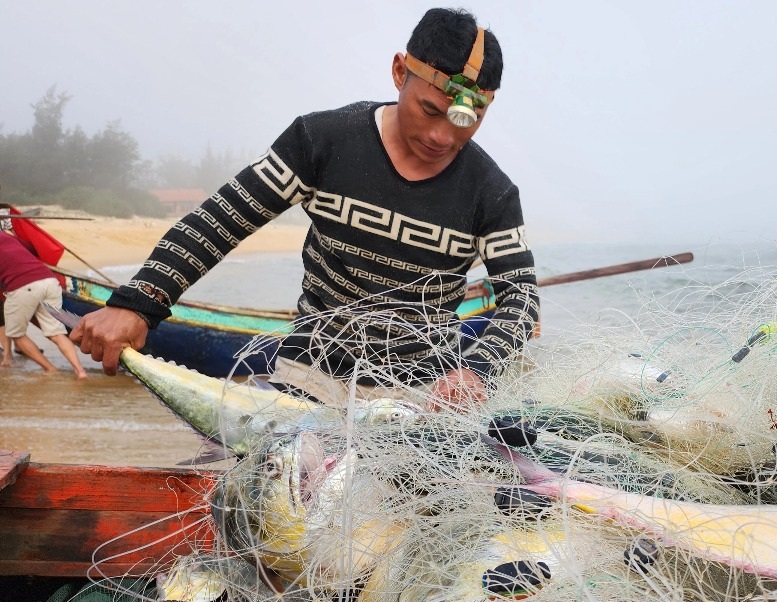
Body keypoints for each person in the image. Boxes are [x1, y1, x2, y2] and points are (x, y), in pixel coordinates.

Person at [70, 8, 539, 409]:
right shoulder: (323, 140)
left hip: (422, 398)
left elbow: (520, 301)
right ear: (400, 72)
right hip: (308, 379)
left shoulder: (491, 192)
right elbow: (220, 221)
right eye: (430, 110)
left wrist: (477, 371)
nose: (442, 136)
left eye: (466, 120)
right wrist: (137, 303)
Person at [0, 231, 89, 378]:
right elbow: (30, 248)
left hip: (23, 287)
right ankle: (80, 371)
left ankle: (51, 369)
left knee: (17, 335)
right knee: (56, 332)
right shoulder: (6, 237)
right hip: (49, 281)